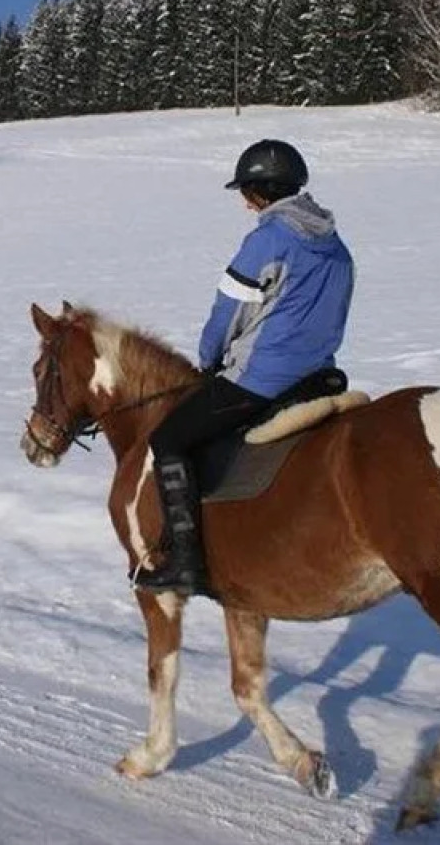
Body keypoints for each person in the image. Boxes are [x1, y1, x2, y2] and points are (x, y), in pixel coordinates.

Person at [134, 138, 355, 596]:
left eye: (247, 192)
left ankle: (186, 562)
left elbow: (229, 311)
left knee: (169, 438)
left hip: (260, 379)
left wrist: (209, 358)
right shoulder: (337, 247)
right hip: (318, 377)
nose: (244, 202)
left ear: (262, 190)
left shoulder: (269, 239)